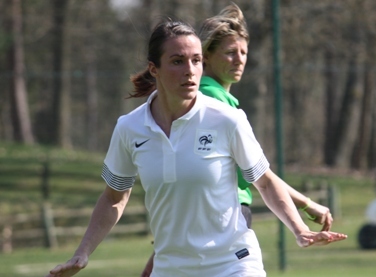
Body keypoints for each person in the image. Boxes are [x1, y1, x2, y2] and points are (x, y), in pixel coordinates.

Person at [45, 19, 347, 277]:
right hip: (171, 268)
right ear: (155, 69)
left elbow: (265, 182)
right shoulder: (129, 128)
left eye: (196, 60)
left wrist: (299, 229)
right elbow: (114, 198)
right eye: (177, 61)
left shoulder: (227, 119)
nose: (190, 70)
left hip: (234, 264)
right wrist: (82, 253)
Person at [140, 4, 334, 277]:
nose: (239, 59)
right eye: (230, 53)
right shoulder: (212, 101)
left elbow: (259, 174)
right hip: (225, 214)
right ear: (206, 57)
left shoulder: (223, 101)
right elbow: (262, 178)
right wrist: (306, 203)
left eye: (243, 52)